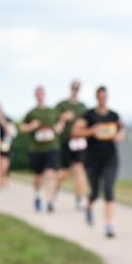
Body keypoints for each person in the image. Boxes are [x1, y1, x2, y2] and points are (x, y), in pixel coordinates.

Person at [73, 85, 124, 238]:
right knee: (95, 192)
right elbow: (75, 132)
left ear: (107, 97)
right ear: (97, 97)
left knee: (108, 190)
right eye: (100, 96)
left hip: (110, 158)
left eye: (105, 96)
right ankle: (89, 208)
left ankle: (109, 225)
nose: (103, 99)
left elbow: (122, 129)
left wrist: (119, 136)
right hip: (93, 159)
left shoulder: (113, 115)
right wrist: (92, 131)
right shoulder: (89, 115)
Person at [20, 86, 66, 213]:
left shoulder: (52, 112)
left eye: (41, 93)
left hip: (51, 148)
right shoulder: (31, 113)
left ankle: (50, 201)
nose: (40, 96)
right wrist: (31, 126)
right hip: (36, 149)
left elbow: (60, 124)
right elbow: (22, 128)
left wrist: (59, 126)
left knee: (50, 174)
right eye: (38, 94)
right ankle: (37, 196)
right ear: (35, 96)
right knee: (38, 177)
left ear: (44, 95)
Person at [55, 80, 89, 209]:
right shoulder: (62, 105)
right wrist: (63, 118)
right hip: (66, 142)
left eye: (77, 88)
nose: (75, 90)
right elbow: (56, 127)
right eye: (74, 88)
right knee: (64, 172)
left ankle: (79, 199)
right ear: (70, 89)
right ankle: (53, 190)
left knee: (80, 170)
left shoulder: (83, 107)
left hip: (79, 143)